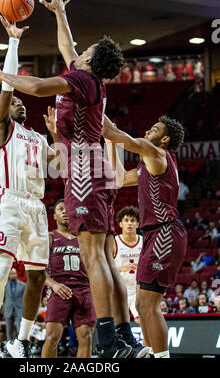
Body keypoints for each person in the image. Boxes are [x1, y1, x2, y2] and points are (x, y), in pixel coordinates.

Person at [0, 0, 134, 359]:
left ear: (90, 63)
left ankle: (110, 340)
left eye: (86, 52)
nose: (78, 52)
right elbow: (68, 49)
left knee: (93, 256)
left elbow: (33, 86)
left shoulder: (82, 80)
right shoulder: (91, 80)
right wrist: (60, 14)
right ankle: (124, 333)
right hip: (92, 167)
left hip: (84, 169)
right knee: (102, 255)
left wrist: (2, 77)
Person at [0, 16, 57, 358]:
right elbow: (8, 87)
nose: (19, 103)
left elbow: (61, 164)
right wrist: (13, 42)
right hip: (8, 203)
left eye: (21, 102)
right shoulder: (2, 127)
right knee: (1, 267)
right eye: (14, 102)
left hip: (36, 207)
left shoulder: (39, 138)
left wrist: (58, 135)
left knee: (38, 279)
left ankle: (22, 341)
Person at [103, 114, 187, 358]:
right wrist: (110, 142)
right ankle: (152, 354)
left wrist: (98, 106)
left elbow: (119, 136)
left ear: (164, 139)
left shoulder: (157, 153)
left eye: (155, 129)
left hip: (165, 232)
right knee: (141, 306)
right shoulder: (145, 165)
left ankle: (162, 357)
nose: (149, 130)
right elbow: (116, 179)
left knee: (149, 306)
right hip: (154, 234)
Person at [41, 199, 96, 358]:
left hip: (83, 289)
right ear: (55, 216)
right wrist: (53, 285)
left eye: (67, 208)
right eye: (60, 209)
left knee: (86, 337)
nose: (64, 211)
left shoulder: (84, 238)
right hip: (59, 288)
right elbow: (38, 270)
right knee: (52, 337)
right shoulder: (49, 237)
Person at [113, 206, 143, 325]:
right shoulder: (114, 241)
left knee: (141, 319)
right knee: (118, 321)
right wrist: (121, 268)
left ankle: (148, 343)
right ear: (120, 224)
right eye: (126, 220)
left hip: (137, 289)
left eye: (132, 220)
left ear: (138, 224)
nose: (129, 223)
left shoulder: (143, 241)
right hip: (119, 288)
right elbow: (104, 267)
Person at [3, 268, 26, 341]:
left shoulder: (23, 285)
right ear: (9, 275)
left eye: (14, 273)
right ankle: (9, 344)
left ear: (16, 274)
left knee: (20, 328)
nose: (12, 275)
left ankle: (20, 343)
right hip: (8, 309)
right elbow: (3, 298)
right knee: (9, 329)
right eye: (11, 274)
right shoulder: (4, 285)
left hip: (19, 309)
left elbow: (25, 298)